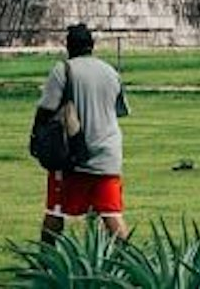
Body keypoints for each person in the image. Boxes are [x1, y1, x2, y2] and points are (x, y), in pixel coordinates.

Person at [31, 23, 129, 242]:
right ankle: (128, 263)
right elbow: (118, 110)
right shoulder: (111, 72)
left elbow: (46, 110)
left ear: (68, 45)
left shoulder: (64, 70)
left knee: (55, 211)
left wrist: (36, 139)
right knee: (111, 213)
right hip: (108, 153)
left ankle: (46, 264)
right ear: (92, 46)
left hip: (72, 154)